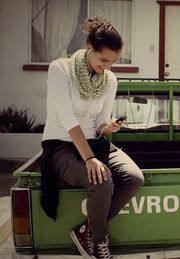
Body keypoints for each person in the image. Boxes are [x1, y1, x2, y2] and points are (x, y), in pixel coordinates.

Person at [40, 16, 144, 259]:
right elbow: (68, 121)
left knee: (134, 178)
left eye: (113, 62)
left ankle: (86, 229)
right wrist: (89, 159)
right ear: (90, 46)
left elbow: (98, 126)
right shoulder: (60, 69)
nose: (107, 66)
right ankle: (98, 240)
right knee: (102, 180)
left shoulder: (110, 80)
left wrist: (109, 127)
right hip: (61, 145)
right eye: (103, 59)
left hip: (94, 143)